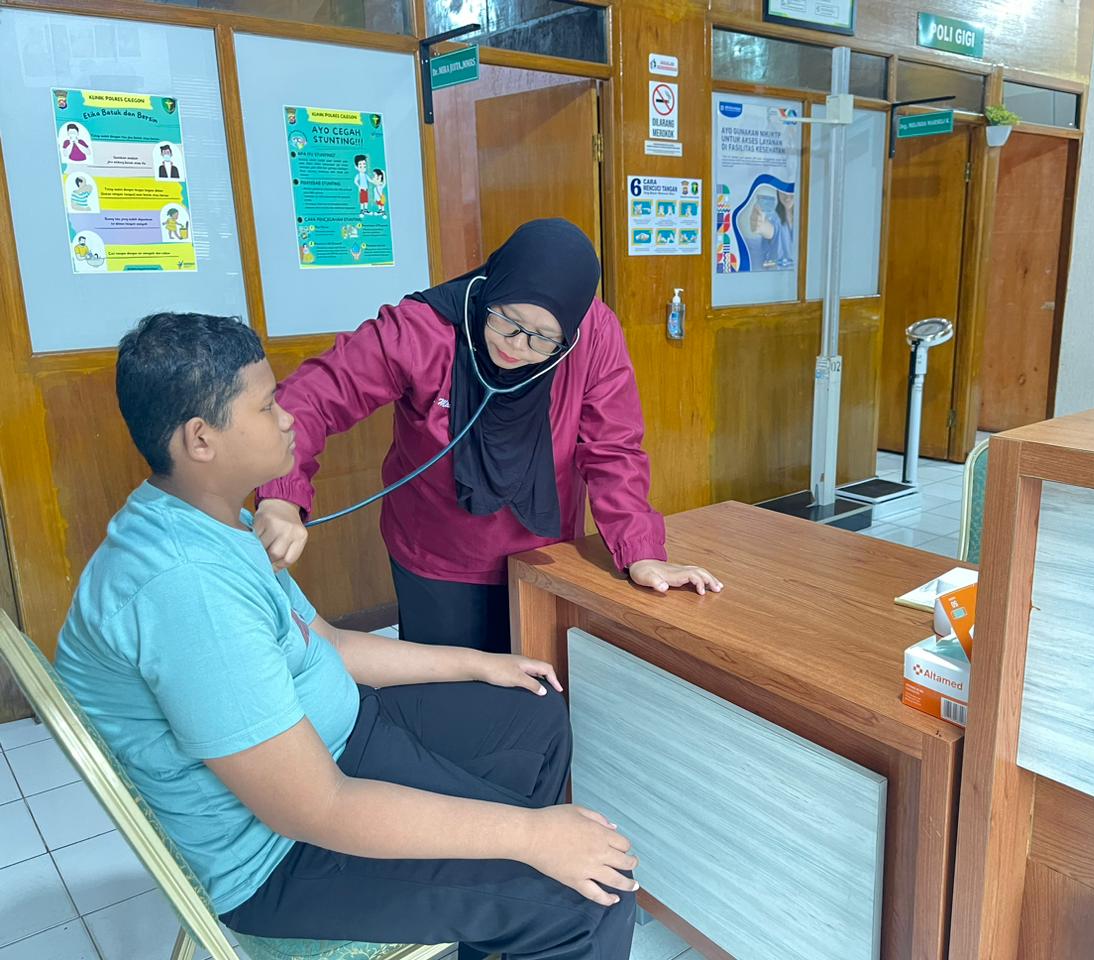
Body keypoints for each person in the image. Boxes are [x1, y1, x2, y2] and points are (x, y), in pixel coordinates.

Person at [56, 312, 638, 959]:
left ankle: (500, 927)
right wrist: (530, 836)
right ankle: (526, 912)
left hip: (338, 738)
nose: (288, 419)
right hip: (283, 855)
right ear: (201, 439)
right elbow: (317, 809)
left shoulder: (211, 519)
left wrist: (479, 662)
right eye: (267, 406)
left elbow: (325, 643)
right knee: (594, 899)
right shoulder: (186, 590)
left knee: (532, 710)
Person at [255, 218, 721, 654]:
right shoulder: (423, 328)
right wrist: (281, 496)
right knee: (447, 690)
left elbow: (613, 449)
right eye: (507, 320)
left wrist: (640, 551)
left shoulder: (592, 333)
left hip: (544, 558)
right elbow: (310, 399)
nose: (516, 346)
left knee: (538, 681)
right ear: (493, 287)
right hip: (436, 557)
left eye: (543, 339)